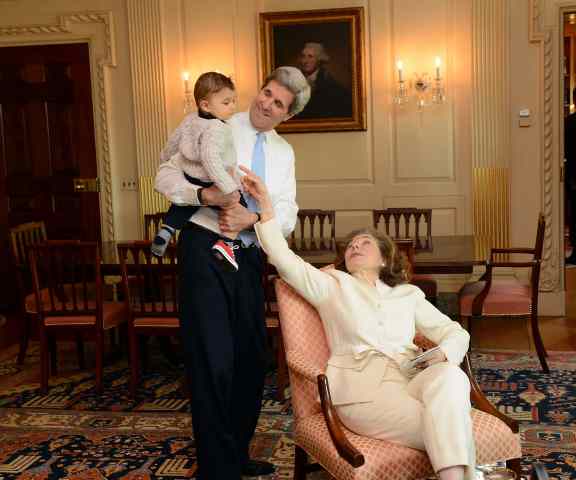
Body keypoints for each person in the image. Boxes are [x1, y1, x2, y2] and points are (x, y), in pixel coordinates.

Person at [241, 167, 476, 480]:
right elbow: (283, 257)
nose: (354, 247)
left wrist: (445, 353)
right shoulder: (331, 285)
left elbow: (455, 332)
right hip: (362, 391)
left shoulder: (408, 294)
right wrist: (266, 209)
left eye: (364, 243)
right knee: (451, 422)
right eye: (350, 245)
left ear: (384, 259)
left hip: (412, 375)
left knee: (450, 377)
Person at [154, 66, 310, 480]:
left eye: (278, 103)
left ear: (286, 116)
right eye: (266, 92)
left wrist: (253, 217)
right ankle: (216, 467)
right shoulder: (213, 122)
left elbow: (289, 214)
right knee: (212, 359)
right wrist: (203, 194)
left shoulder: (284, 153)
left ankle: (235, 454)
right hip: (205, 250)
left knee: (249, 360)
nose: (266, 103)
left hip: (250, 256)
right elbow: (166, 174)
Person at [152, 72, 243, 270]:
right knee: (237, 205)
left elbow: (173, 142)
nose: (233, 107)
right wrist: (228, 187)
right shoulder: (217, 127)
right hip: (211, 178)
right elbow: (210, 159)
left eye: (234, 101)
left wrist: (165, 157)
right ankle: (226, 245)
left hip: (190, 174)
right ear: (205, 105)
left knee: (184, 204)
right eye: (226, 103)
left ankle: (167, 230)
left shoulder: (190, 119)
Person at [295, 42, 352, 118]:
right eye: (303, 56)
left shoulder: (330, 84)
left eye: (310, 56)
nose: (305, 61)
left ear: (319, 60)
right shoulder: (295, 80)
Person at [565, 111, 576, 264]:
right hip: (573, 178)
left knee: (574, 214)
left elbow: (565, 150)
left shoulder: (569, 122)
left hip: (573, 177)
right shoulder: (569, 122)